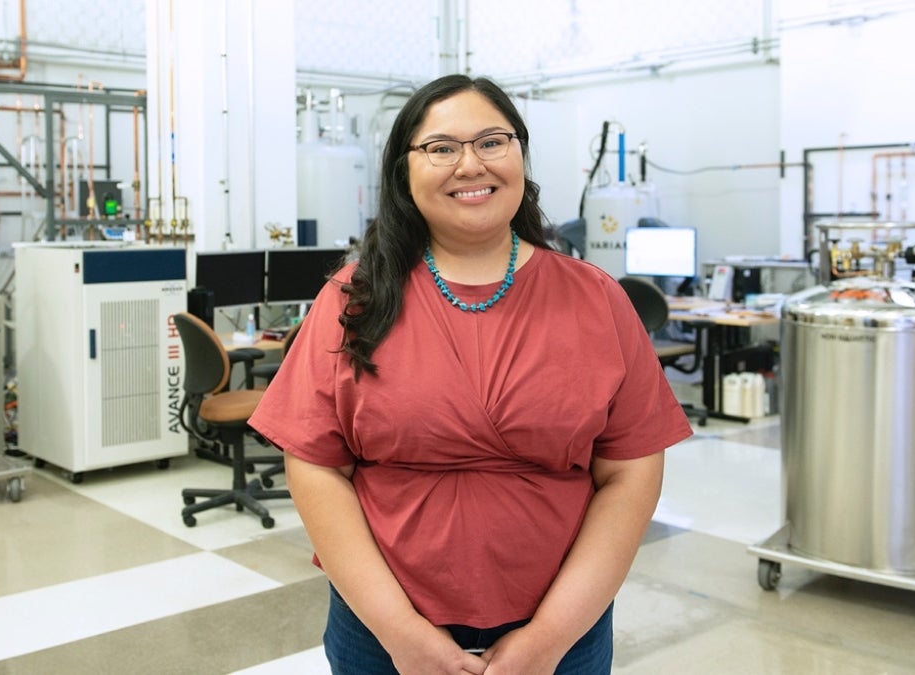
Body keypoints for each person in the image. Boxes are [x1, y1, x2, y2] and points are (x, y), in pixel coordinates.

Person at [248, 74, 692, 674]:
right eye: (440, 148)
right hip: (381, 625)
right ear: (404, 170)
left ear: (520, 156)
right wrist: (401, 634)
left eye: (491, 141)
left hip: (563, 626)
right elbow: (317, 465)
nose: (469, 164)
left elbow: (631, 474)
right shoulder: (354, 299)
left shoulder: (596, 299)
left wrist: (550, 637)